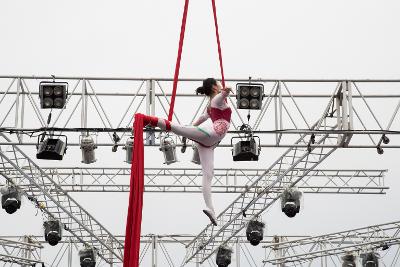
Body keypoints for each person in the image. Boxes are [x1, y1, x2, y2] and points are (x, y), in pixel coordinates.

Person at [142, 78, 232, 226]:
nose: (220, 84)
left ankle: (210, 209)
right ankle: (151, 120)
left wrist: (191, 130)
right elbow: (225, 92)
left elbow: (200, 120)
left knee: (208, 174)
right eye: (219, 83)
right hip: (212, 134)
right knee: (179, 128)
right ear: (215, 86)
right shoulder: (216, 100)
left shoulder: (210, 105)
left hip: (209, 143)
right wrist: (227, 89)